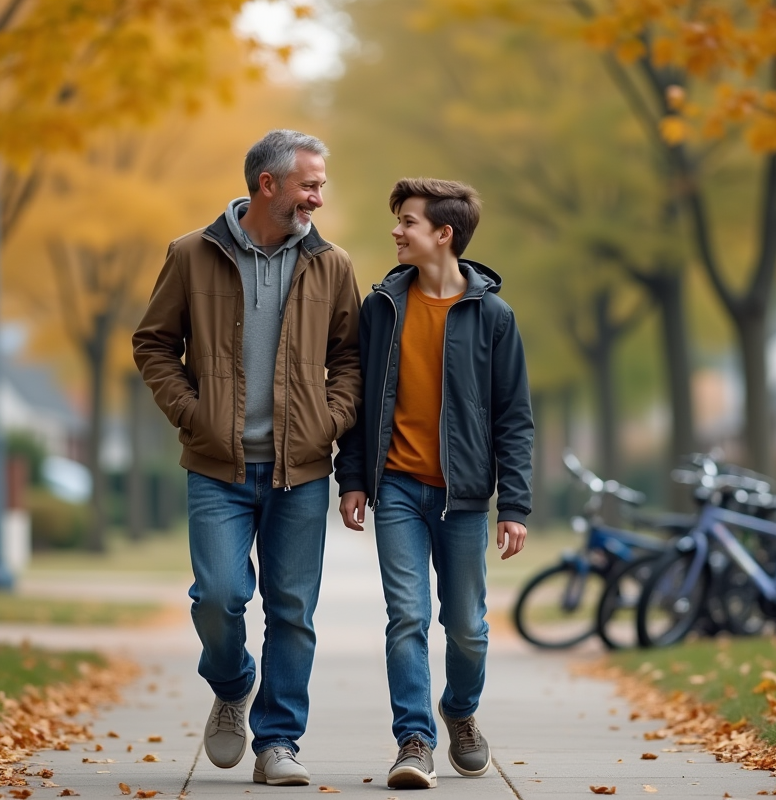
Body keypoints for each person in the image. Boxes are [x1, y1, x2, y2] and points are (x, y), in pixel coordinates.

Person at [133, 129, 362, 787]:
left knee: (292, 609)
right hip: (216, 466)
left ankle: (278, 742)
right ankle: (232, 683)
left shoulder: (332, 264)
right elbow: (153, 344)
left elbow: (350, 358)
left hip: (301, 469)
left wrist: (330, 419)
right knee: (220, 596)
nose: (318, 196)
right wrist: (194, 413)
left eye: (320, 184)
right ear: (269, 185)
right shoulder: (190, 254)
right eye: (310, 184)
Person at [335, 177, 533, 790]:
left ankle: (460, 711)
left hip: (465, 497)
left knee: (468, 627)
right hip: (396, 487)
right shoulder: (382, 307)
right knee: (407, 617)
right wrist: (352, 477)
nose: (397, 230)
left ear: (443, 234)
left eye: (409, 222)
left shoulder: (493, 317)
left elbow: (513, 417)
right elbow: (362, 399)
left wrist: (515, 503)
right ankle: (414, 741)